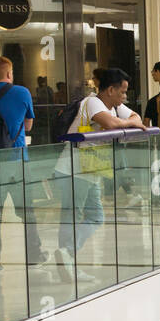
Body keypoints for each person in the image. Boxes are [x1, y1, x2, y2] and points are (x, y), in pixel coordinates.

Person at [51, 67, 142, 281]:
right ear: (110, 90)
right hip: (74, 169)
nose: (125, 96)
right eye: (123, 91)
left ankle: (66, 254)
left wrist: (127, 120)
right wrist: (127, 123)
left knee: (95, 216)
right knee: (72, 216)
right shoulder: (93, 102)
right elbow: (111, 123)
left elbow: (136, 116)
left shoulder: (114, 107)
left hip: (91, 170)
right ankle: (66, 257)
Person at [0, 56, 42, 268]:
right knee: (27, 210)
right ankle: (34, 255)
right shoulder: (21, 92)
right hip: (16, 161)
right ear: (9, 74)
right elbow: (28, 126)